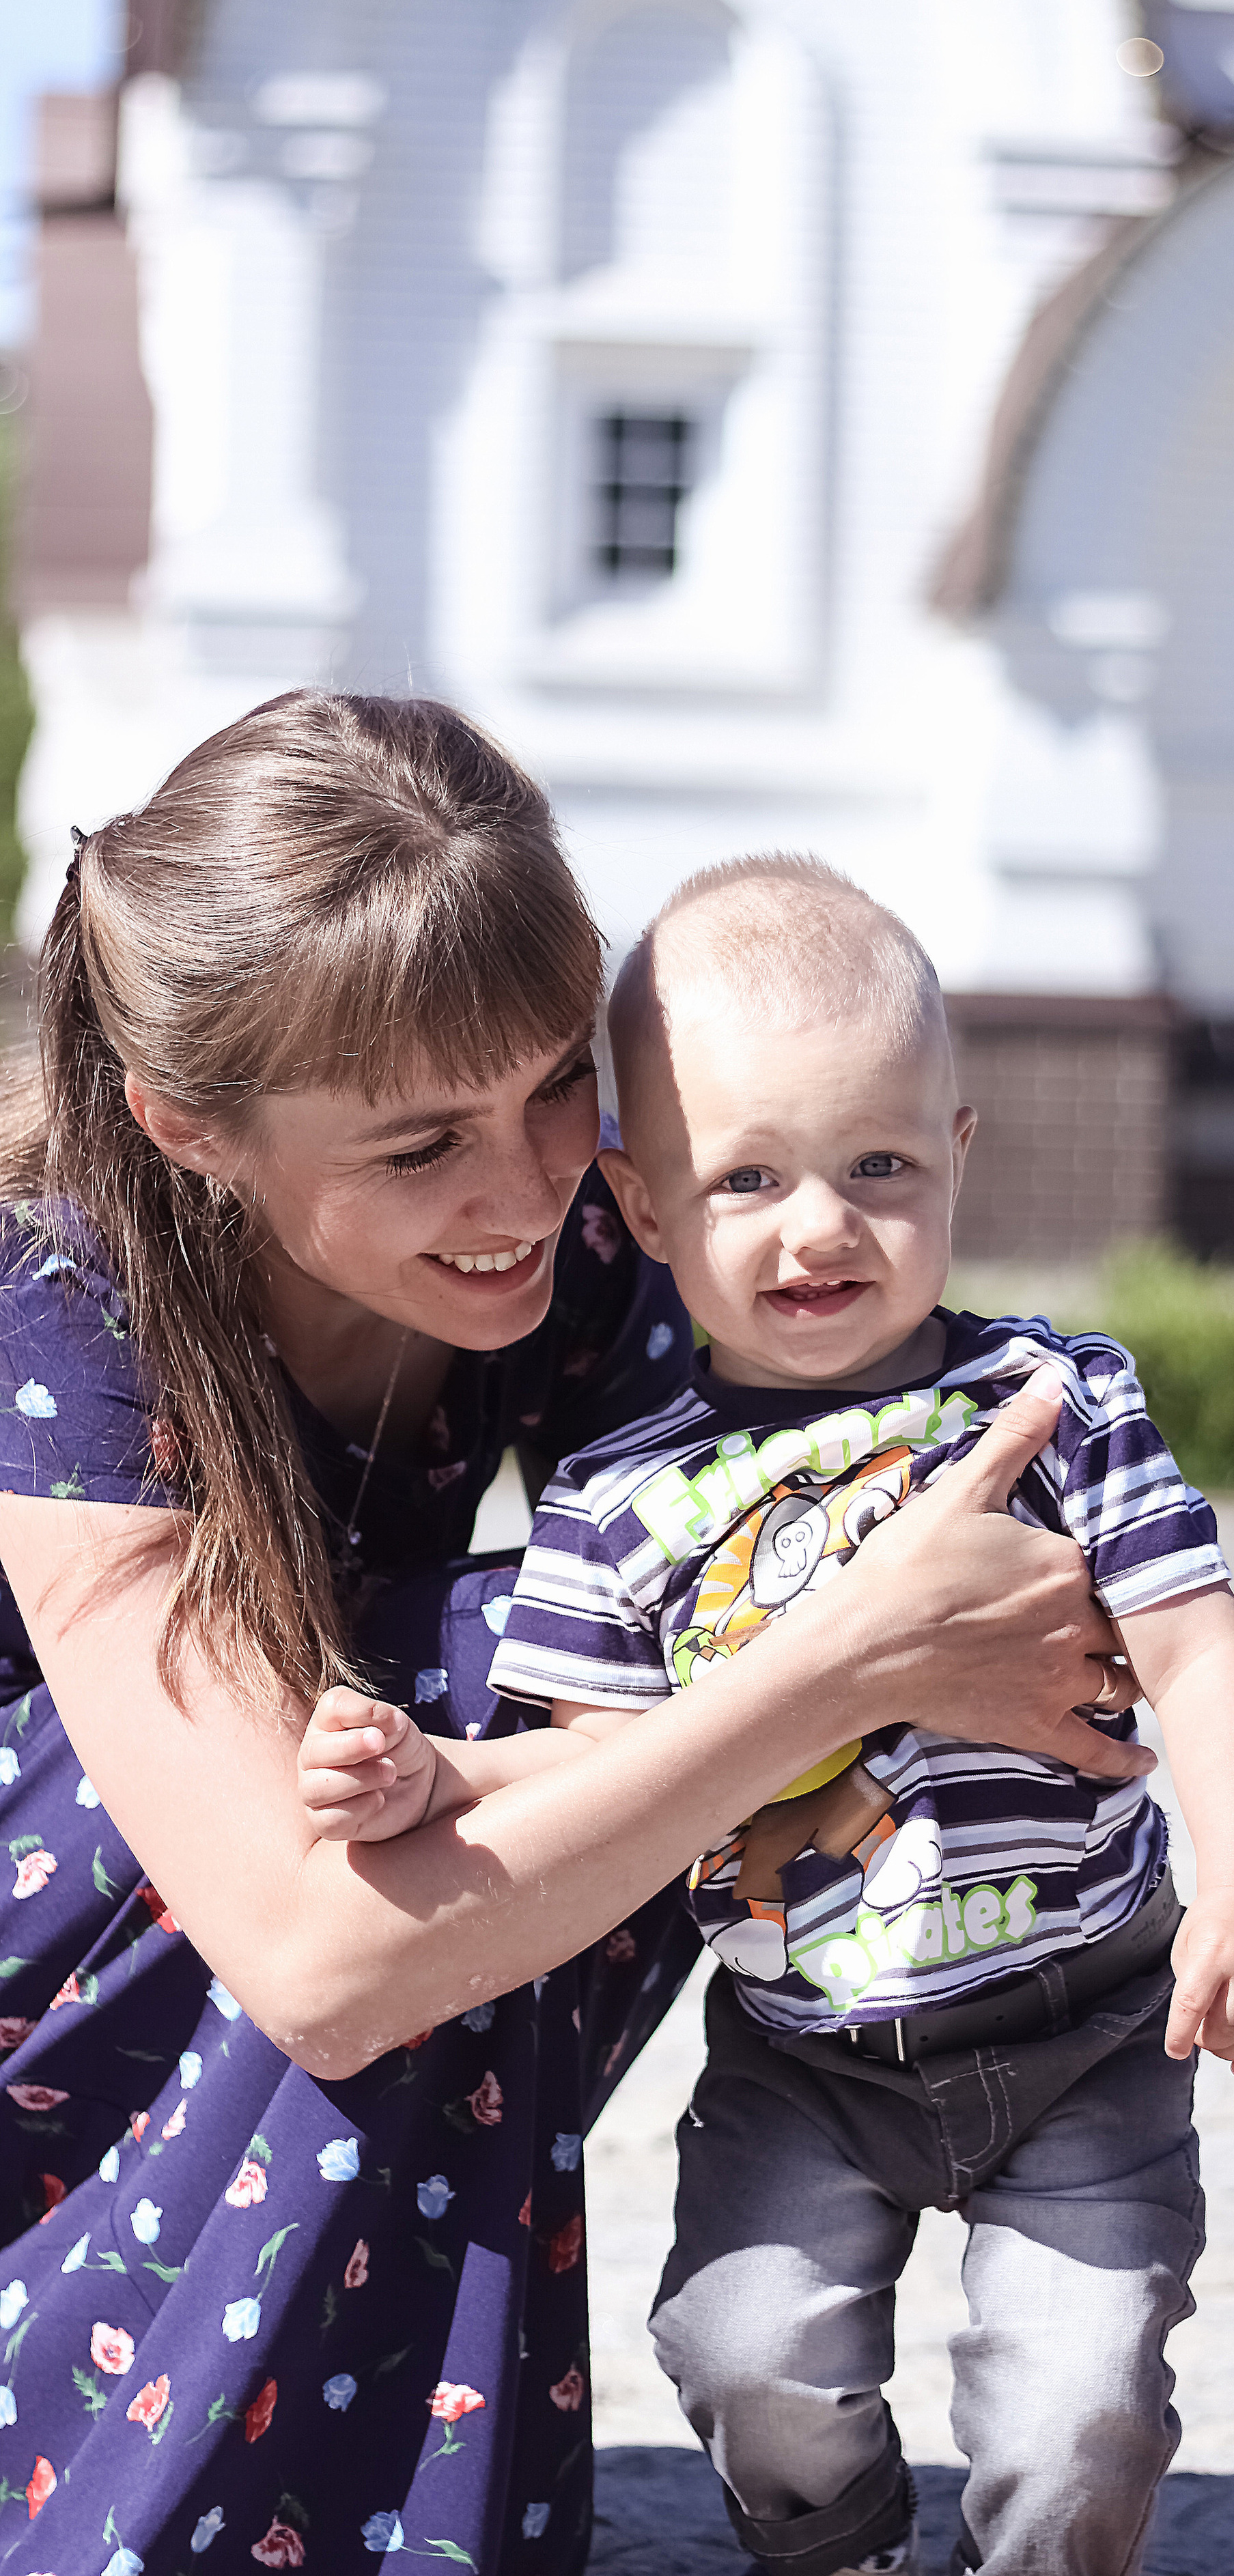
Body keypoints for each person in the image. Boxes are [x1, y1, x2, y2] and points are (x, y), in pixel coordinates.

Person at [0, 704, 1144, 2575]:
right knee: (420, 1716)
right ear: (187, 1126)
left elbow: (892, 1478)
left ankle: (382, 2465)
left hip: (322, 1896)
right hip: (66, 2004)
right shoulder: (64, 1314)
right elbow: (312, 1954)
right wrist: (851, 1661)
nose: (528, 1187)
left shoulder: (567, 1245)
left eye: (555, 1086)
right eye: (422, 1143)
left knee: (580, 1651)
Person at [312, 854, 1234, 2576]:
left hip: (1081, 2027)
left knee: (1076, 2413)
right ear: (632, 1202)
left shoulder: (1051, 1401)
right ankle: (835, 2547)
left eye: (878, 1167)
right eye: (747, 1178)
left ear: (957, 1155)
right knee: (739, 2350)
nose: (819, 1225)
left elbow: (1195, 1642)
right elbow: (600, 1769)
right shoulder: (622, 1500)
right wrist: (440, 1765)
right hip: (802, 2057)